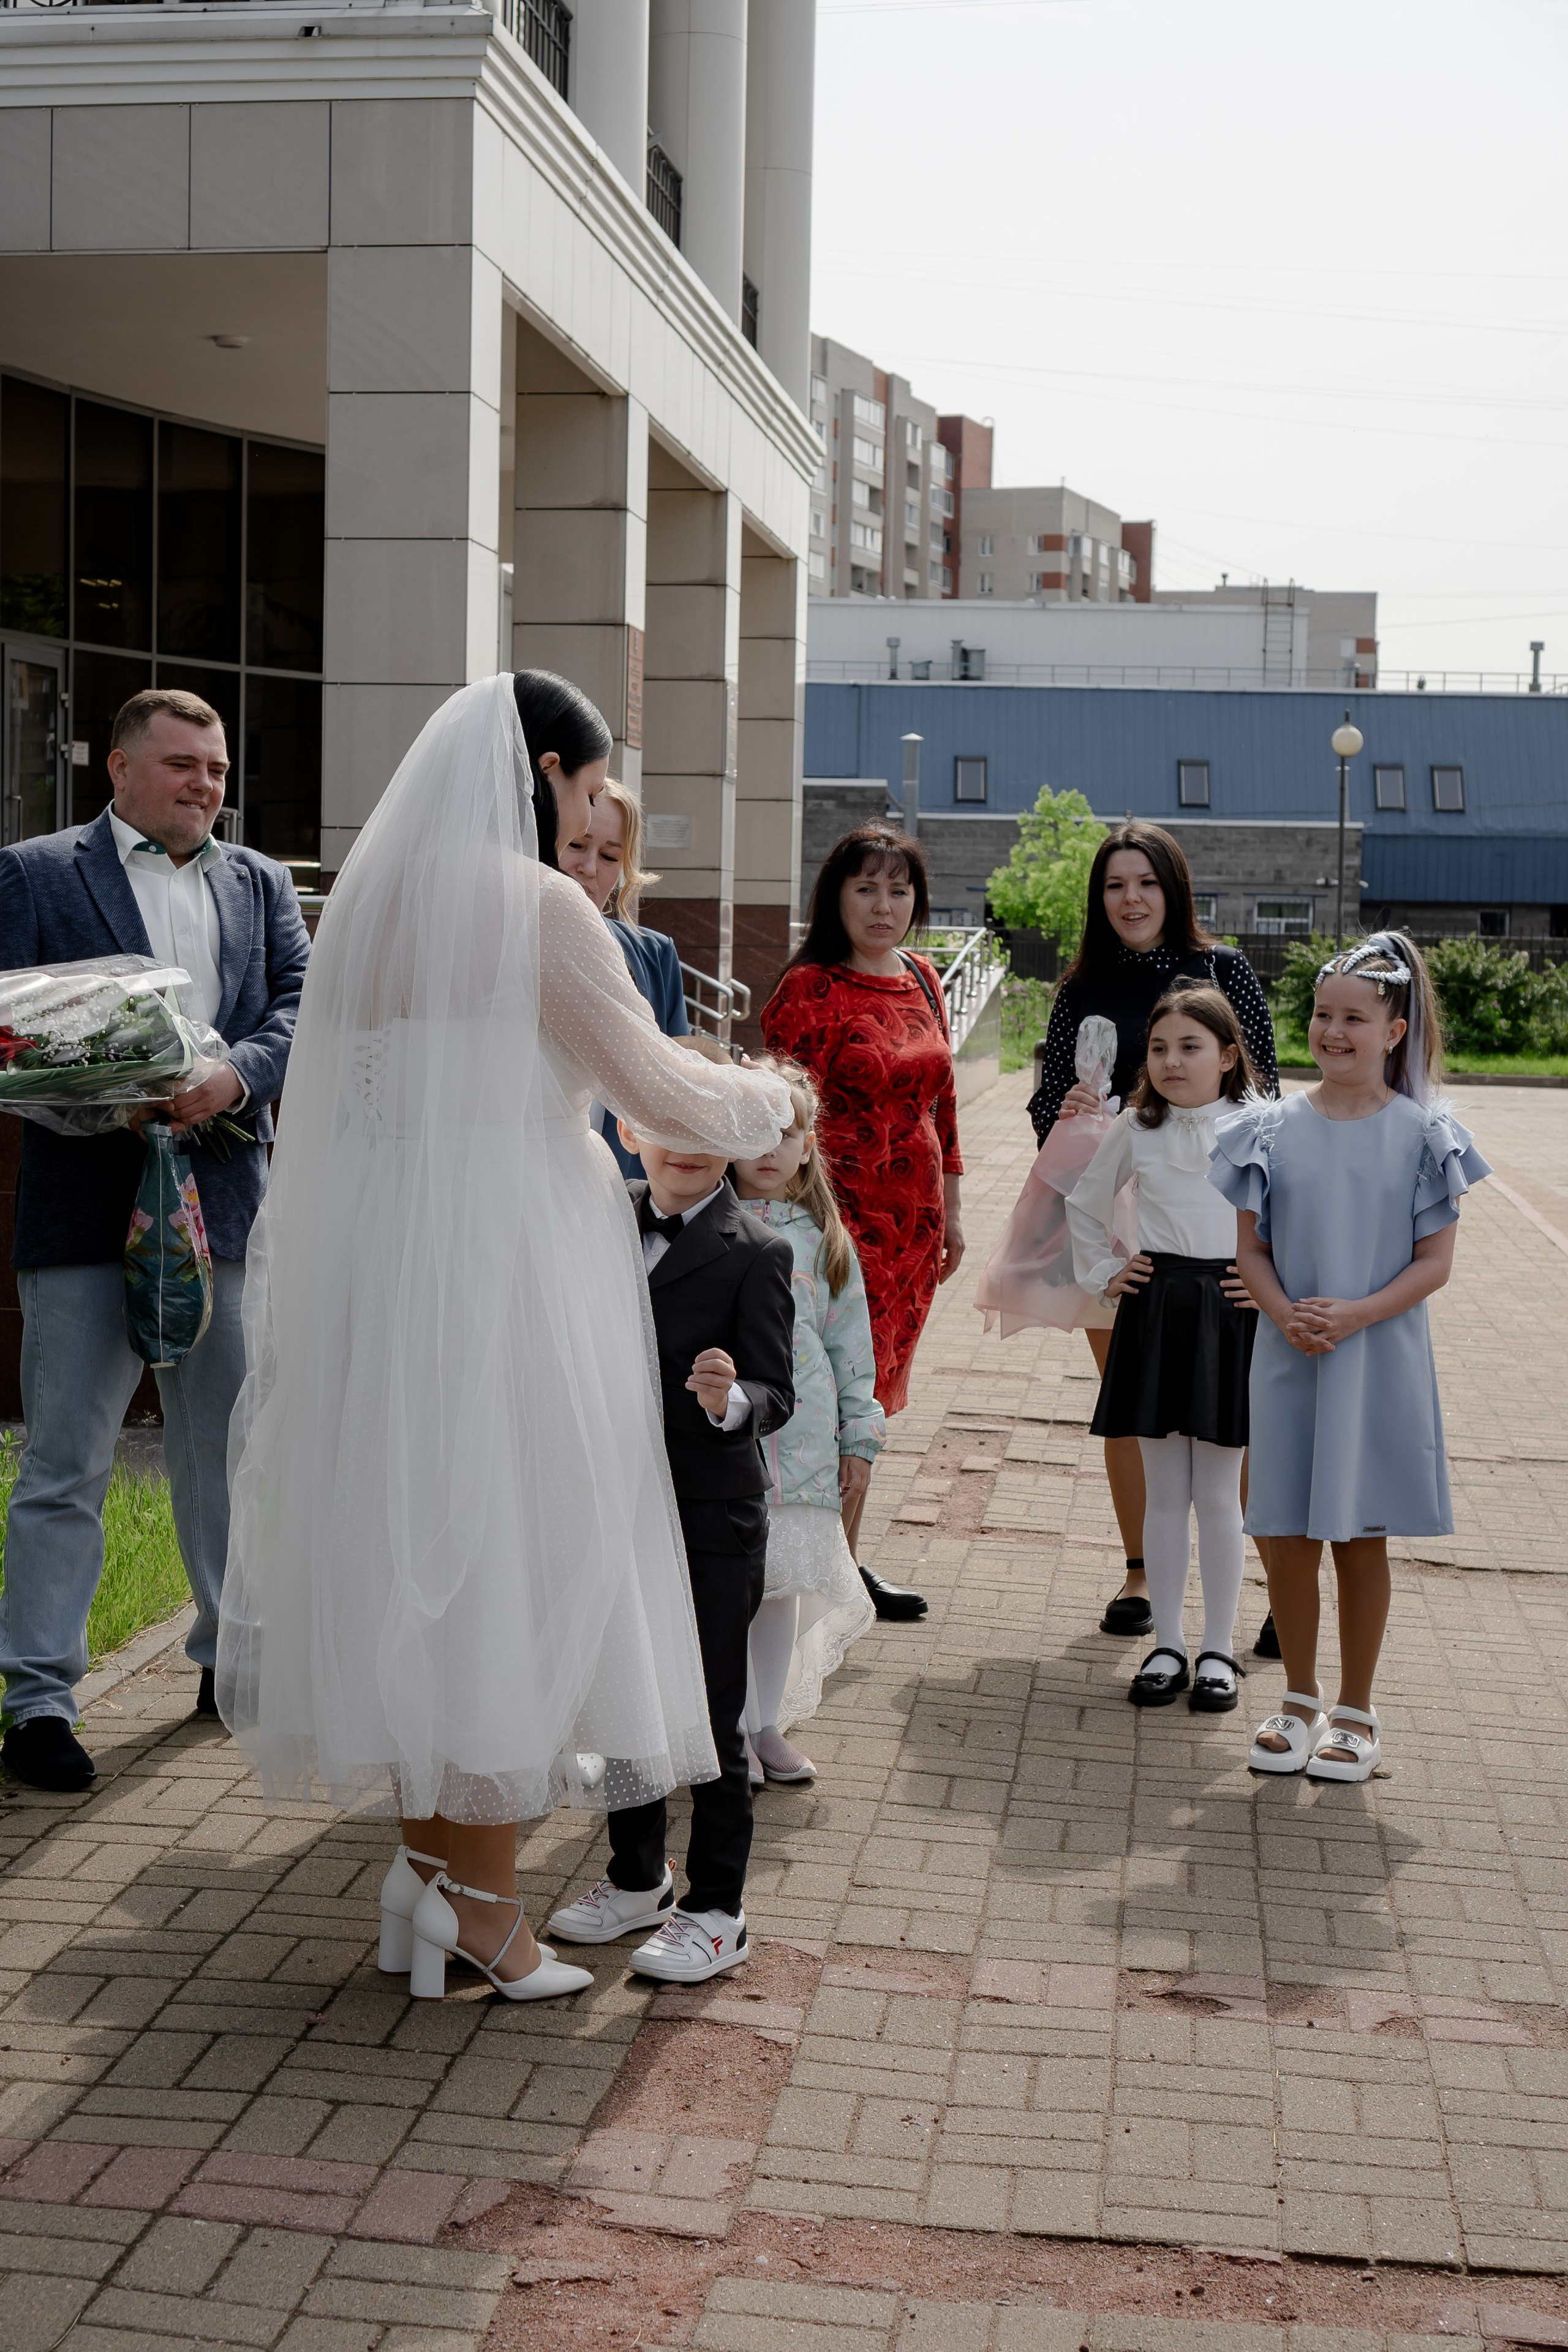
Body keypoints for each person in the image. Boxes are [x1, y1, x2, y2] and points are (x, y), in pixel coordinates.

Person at [217, 670, 793, 2006]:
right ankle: (478, 1907)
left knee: (420, 1546)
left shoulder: (374, 907)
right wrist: (766, 1094)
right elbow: (654, 1083)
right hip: (510, 1263)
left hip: (389, 1274)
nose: (594, 817)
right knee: (503, 1561)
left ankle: (431, 1879)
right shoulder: (538, 907)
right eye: (590, 790)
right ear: (544, 776)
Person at [0, 688, 308, 1792]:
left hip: (223, 1202)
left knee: (227, 1451)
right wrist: (105, 1097)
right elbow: (10, 1024)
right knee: (67, 1460)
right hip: (85, 1208)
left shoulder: (260, 882)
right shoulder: (35, 875)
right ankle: (38, 1698)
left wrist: (230, 1077)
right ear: (120, 769)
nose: (205, 785)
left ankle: (230, 1662)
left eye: (217, 768)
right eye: (181, 765)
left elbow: (296, 1007)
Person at [1210, 933, 1490, 1782]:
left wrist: (1357, 1313)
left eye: (1354, 1019)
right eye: (1323, 1015)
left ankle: (1357, 1713)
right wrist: (1285, 1311)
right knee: (1285, 1532)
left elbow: (1434, 1263)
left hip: (1375, 1359)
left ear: (1394, 1032)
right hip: (1289, 1354)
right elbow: (1248, 1251)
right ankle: (1297, 1699)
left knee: (1359, 1536)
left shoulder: (1423, 1135)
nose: (1333, 1032)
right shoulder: (1269, 1128)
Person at [548, 1067, 796, 1985]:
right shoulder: (595, 1221)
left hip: (706, 1514)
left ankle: (718, 1906)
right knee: (626, 1699)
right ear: (626, 1132)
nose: (685, 1142)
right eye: (665, 1120)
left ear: (737, 1142)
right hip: (612, 1503)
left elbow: (779, 1392)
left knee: (708, 1710)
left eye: (708, 1125)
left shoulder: (756, 1250)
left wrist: (733, 1400)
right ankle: (636, 1875)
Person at [1027, 821, 1278, 1643]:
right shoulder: (1080, 986)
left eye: (1146, 882)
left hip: (1211, 1222)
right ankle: (1142, 1574)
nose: (1130, 898)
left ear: (1174, 888)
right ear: (1100, 900)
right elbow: (1046, 1102)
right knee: (1137, 1405)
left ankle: (1262, 1584)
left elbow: (1264, 1094)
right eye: (1114, 885)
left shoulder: (1224, 970)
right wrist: (1062, 1113)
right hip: (1120, 1218)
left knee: (1227, 1409)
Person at [761, 826, 963, 1625]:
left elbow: (943, 1104)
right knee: (835, 1392)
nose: (885, 906)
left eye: (900, 890)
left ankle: (842, 1560)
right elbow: (781, 1120)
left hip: (912, 1228)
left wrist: (953, 1208)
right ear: (836, 898)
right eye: (867, 889)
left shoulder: (923, 976)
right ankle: (820, 1574)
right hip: (835, 1226)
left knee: (873, 1394)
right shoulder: (809, 989)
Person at [1066, 985, 1258, 1711]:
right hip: (1155, 1308)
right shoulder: (1135, 1128)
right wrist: (1105, 1274)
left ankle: (1217, 1650)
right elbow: (1083, 1201)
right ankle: (1168, 1643)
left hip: (1225, 1313)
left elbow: (1292, 1212)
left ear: (1228, 1055)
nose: (1172, 1061)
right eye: (1158, 1048)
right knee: (1165, 1493)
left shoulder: (1258, 1126)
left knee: (1217, 1492)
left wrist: (1269, 1286)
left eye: (1190, 1046)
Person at [730, 1058, 881, 1784]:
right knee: (735, 1585)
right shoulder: (711, 1226)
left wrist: (859, 1436)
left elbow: (852, 1347)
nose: (768, 1149)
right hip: (729, 1438)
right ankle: (725, 1726)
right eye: (750, 1131)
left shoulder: (823, 1239)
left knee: (782, 1588)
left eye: (784, 1133)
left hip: (806, 1442)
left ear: (808, 1142)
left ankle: (765, 1724)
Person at [557, 777, 691, 1177]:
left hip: (625, 1182)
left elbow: (676, 1082)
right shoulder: (501, 949)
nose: (589, 867)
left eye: (611, 856)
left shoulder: (654, 954)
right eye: (576, 845)